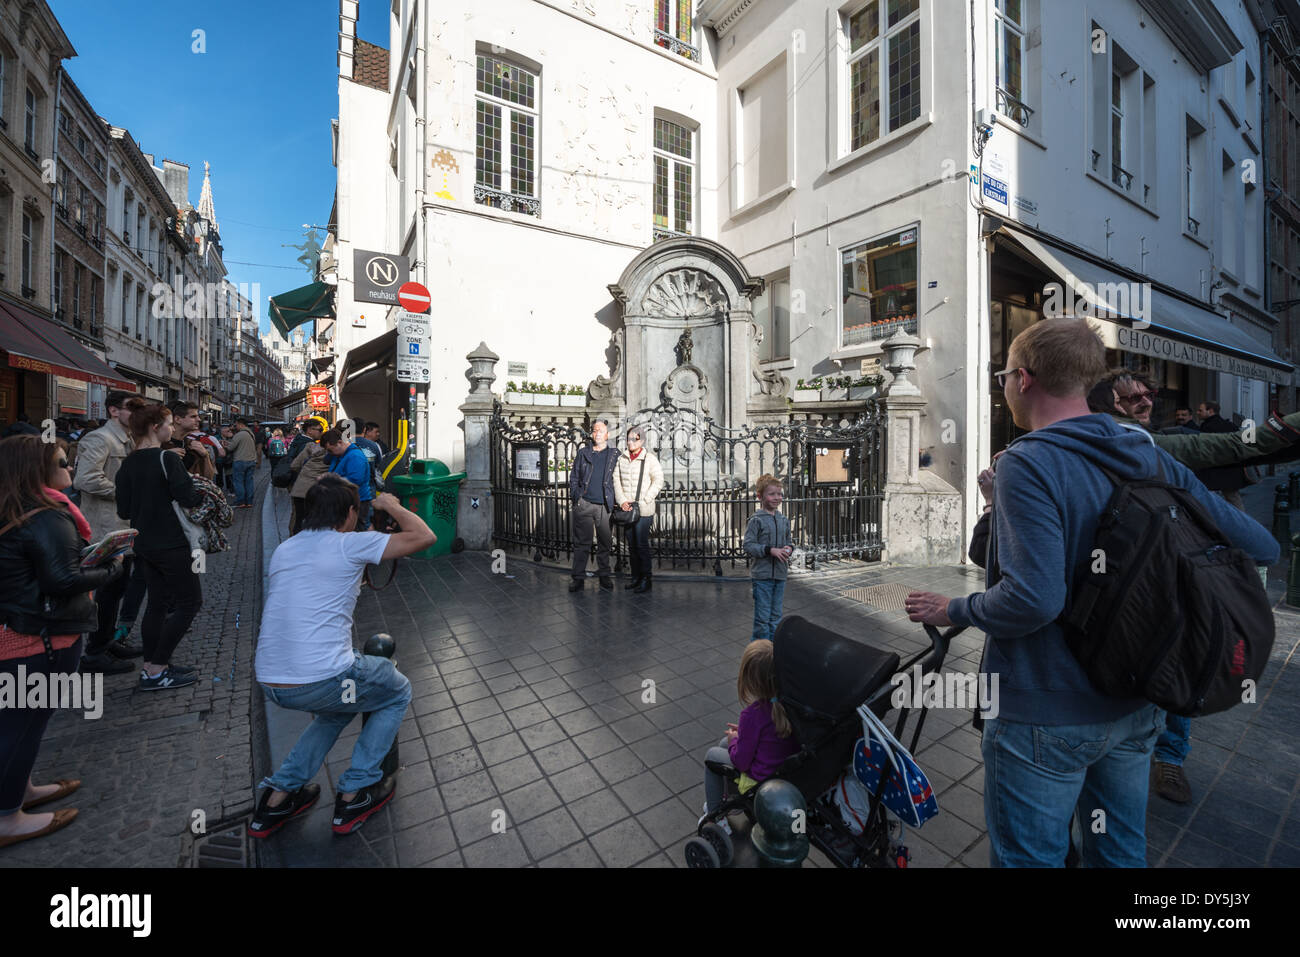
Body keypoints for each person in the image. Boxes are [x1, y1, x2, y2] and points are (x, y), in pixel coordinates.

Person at [904, 318, 1277, 868]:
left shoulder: (1028, 462)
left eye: (1004, 374)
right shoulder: (1146, 453)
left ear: (1024, 380)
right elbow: (1260, 546)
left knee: (1032, 859)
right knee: (1120, 854)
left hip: (1046, 711)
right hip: (1135, 703)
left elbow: (1034, 600)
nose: (1003, 384)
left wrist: (953, 607)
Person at [247, 478, 434, 838]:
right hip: (323, 676)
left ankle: (278, 796)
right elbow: (425, 537)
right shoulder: (349, 544)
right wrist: (391, 506)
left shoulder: (286, 549)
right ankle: (356, 790)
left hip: (272, 680)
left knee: (337, 710)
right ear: (350, 513)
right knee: (396, 690)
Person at [0, 434, 124, 848]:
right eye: (61, 462)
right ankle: (7, 817)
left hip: (20, 634)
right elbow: (63, 579)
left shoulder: (15, 510)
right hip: (41, 639)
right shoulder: (46, 515)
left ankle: (23, 789)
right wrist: (110, 567)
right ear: (39, 472)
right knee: (23, 724)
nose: (69, 468)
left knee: (24, 724)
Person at [115, 404, 205, 691]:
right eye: (167, 424)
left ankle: (153, 667)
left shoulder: (128, 463)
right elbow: (190, 498)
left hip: (143, 543)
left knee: (157, 603)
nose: (170, 429)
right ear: (155, 427)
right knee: (190, 602)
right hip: (172, 542)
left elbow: (123, 508)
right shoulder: (167, 458)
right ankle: (157, 667)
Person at [71, 392, 146, 674]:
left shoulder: (128, 439)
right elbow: (86, 479)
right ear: (114, 410)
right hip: (105, 527)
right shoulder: (100, 439)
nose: (137, 413)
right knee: (107, 591)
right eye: (132, 408)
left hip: (122, 525)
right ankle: (94, 652)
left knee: (117, 589)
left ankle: (106, 641)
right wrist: (124, 493)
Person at [700, 639, 799, 833]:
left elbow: (742, 762)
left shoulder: (752, 714)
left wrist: (734, 739)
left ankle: (716, 817)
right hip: (782, 773)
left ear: (751, 681)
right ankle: (730, 800)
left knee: (713, 755)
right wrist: (741, 735)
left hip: (759, 778)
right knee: (724, 743)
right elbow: (770, 738)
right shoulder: (788, 707)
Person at [568, 419, 619, 592]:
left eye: (601, 430)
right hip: (585, 503)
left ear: (607, 434)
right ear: (592, 434)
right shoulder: (584, 453)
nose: (597, 433)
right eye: (595, 430)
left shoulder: (614, 454)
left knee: (605, 542)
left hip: (604, 505)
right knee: (582, 543)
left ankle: (604, 575)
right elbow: (574, 477)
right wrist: (576, 496)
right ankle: (578, 577)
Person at [613, 425, 664, 594]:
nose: (630, 442)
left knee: (641, 545)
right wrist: (621, 501)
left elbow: (658, 481)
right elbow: (616, 480)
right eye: (628, 439)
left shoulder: (650, 459)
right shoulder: (622, 459)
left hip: (643, 510)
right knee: (632, 545)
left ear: (641, 441)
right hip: (627, 508)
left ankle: (646, 579)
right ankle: (635, 577)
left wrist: (645, 500)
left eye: (634, 439)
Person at [743, 474, 793, 642]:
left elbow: (789, 542)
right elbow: (748, 545)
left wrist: (789, 548)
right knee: (762, 620)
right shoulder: (756, 520)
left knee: (776, 618)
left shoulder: (783, 520)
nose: (777, 497)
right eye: (772, 494)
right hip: (762, 577)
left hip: (780, 575)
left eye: (779, 494)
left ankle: (771, 651)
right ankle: (757, 654)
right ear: (760, 496)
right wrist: (769, 550)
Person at [181, 447, 233, 555]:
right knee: (198, 568)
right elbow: (226, 516)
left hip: (173, 545)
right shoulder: (202, 486)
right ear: (196, 466)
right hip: (197, 542)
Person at [322, 428, 374, 531]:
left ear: (340, 442)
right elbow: (326, 461)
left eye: (330, 450)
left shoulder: (355, 456)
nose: (330, 453)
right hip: (347, 500)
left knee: (359, 530)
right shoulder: (340, 454)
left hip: (358, 501)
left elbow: (355, 480)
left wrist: (331, 479)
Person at [289, 423, 328, 535]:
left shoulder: (300, 442)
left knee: (298, 517)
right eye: (319, 430)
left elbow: (294, 465)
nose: (321, 432)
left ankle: (293, 539)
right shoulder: (310, 445)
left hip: (298, 487)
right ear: (310, 430)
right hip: (312, 491)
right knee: (308, 519)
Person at [223, 418, 258, 509]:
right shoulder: (251, 434)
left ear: (241, 424)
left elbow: (231, 448)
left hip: (240, 461)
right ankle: (249, 501)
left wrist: (224, 445)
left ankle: (241, 501)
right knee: (249, 481)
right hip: (251, 460)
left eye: (236, 425)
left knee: (239, 482)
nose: (235, 427)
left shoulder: (240, 434)